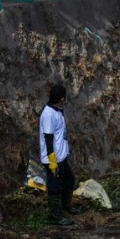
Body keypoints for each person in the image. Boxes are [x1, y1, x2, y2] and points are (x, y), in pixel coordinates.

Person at [40, 85, 77, 226]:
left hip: (62, 157)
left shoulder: (58, 110)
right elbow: (48, 138)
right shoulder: (49, 114)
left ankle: (65, 208)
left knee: (69, 180)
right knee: (54, 186)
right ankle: (55, 216)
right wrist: (52, 160)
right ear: (62, 98)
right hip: (53, 158)